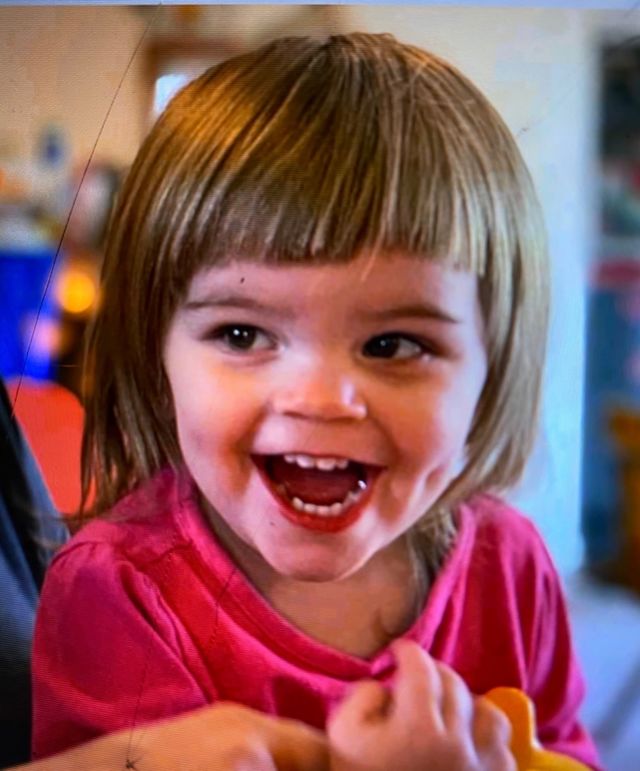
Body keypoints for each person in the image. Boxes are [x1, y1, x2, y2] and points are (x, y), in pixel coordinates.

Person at [31, 32, 600, 770]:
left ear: (493, 366)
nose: (322, 400)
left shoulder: (511, 565)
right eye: (242, 334)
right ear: (155, 350)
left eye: (393, 344)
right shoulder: (118, 593)